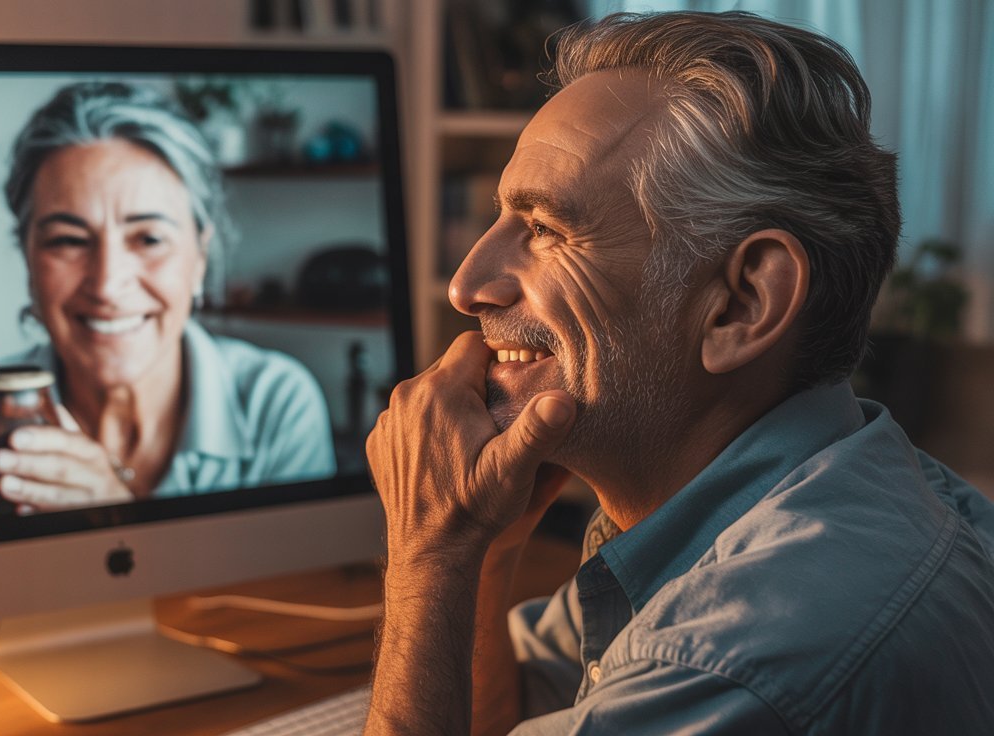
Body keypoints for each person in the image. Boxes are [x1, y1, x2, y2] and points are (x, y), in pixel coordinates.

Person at [364, 11, 994, 735]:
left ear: (741, 304)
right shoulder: (822, 484)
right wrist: (482, 552)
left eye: (545, 230)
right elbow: (520, 712)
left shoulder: (736, 657)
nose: (468, 285)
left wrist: (429, 553)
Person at [0, 82, 335, 524]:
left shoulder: (275, 404)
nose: (108, 285)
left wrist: (118, 520)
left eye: (149, 238)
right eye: (68, 241)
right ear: (28, 260)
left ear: (200, 257)